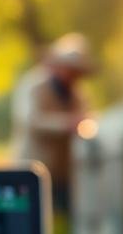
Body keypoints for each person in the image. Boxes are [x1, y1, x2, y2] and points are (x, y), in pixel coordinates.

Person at [11, 33, 94, 209]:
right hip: (32, 166)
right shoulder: (33, 85)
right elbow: (31, 120)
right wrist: (67, 123)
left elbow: (87, 118)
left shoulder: (78, 95)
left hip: (64, 173)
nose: (73, 75)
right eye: (70, 69)